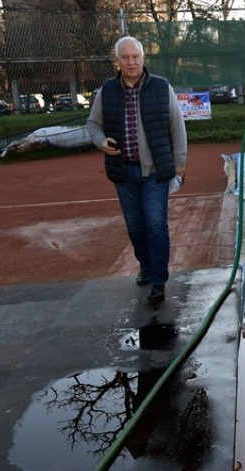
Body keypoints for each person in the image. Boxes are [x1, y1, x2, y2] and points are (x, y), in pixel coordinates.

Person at [87, 36, 187, 304]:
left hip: (155, 172)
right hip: (124, 172)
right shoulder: (107, 91)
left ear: (143, 59)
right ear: (117, 61)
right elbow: (93, 124)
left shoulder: (162, 87)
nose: (131, 62)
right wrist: (100, 141)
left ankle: (158, 280)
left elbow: (178, 127)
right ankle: (145, 265)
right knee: (135, 227)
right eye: (125, 58)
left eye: (136, 57)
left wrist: (179, 164)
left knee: (155, 225)